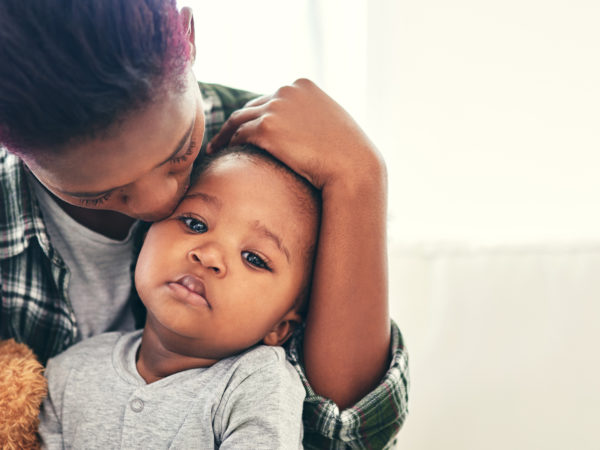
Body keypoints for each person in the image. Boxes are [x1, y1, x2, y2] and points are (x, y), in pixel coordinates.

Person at [0, 0, 408, 447]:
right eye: (100, 193)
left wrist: (361, 175)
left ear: (189, 36)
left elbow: (344, 438)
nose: (163, 203)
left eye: (180, 152)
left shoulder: (277, 163)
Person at [38, 146, 319, 448]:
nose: (209, 254)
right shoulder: (70, 372)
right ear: (146, 234)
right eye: (195, 224)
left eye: (253, 258)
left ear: (279, 327)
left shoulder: (258, 383)